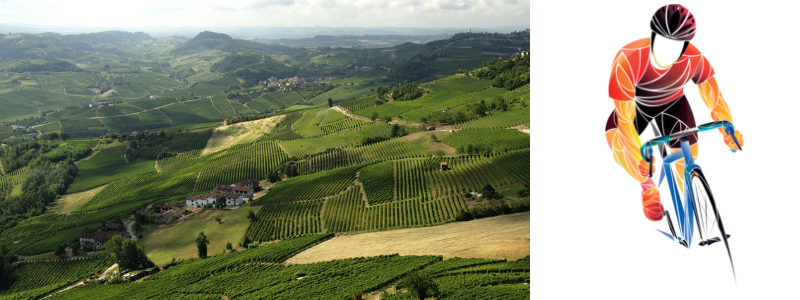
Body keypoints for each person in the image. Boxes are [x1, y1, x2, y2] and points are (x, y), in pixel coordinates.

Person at [604, 4, 744, 221]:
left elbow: (715, 99)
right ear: (653, 36)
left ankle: (693, 204)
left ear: (686, 45)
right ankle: (649, 189)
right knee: (617, 143)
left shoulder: (695, 58)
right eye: (662, 44)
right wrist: (639, 157)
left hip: (674, 104)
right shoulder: (628, 58)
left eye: (676, 46)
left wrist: (728, 130)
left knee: (687, 160)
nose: (667, 53)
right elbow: (624, 119)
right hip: (638, 106)